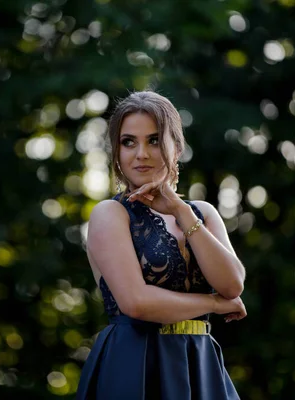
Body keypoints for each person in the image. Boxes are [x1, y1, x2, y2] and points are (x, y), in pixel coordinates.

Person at [75, 90, 247, 400]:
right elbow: (136, 303)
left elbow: (232, 285)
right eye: (129, 142)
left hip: (201, 366)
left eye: (154, 140)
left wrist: (180, 211)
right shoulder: (109, 214)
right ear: (116, 152)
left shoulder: (203, 213)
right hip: (134, 365)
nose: (141, 153)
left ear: (177, 148)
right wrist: (214, 305)